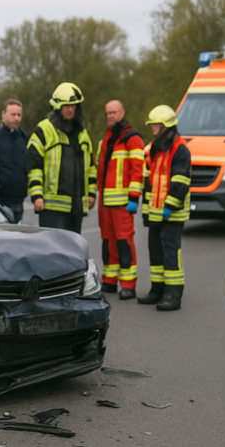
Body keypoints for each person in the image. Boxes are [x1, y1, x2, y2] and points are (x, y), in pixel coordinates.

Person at [138, 105, 191, 311]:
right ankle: (157, 290)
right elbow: (148, 183)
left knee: (171, 253)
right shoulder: (154, 149)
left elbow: (180, 182)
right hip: (156, 213)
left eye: (156, 125)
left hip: (173, 213)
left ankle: (173, 294)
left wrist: (169, 206)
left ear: (166, 127)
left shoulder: (180, 151)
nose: (152, 129)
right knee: (156, 252)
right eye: (152, 125)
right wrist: (146, 212)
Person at [26, 82, 97, 233]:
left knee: (73, 250)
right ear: (57, 106)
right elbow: (34, 166)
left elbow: (91, 167)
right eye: (66, 105)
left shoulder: (82, 133)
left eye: (73, 105)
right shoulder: (44, 130)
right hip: (51, 207)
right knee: (52, 250)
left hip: (77, 205)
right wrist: (37, 195)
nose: (70, 109)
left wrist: (91, 194)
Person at [96, 100, 145, 300]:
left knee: (124, 243)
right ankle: (109, 280)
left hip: (123, 202)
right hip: (105, 202)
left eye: (114, 112)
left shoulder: (132, 139)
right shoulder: (107, 140)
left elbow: (137, 170)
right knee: (108, 243)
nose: (111, 116)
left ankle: (128, 284)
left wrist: (134, 197)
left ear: (122, 113)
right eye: (108, 113)